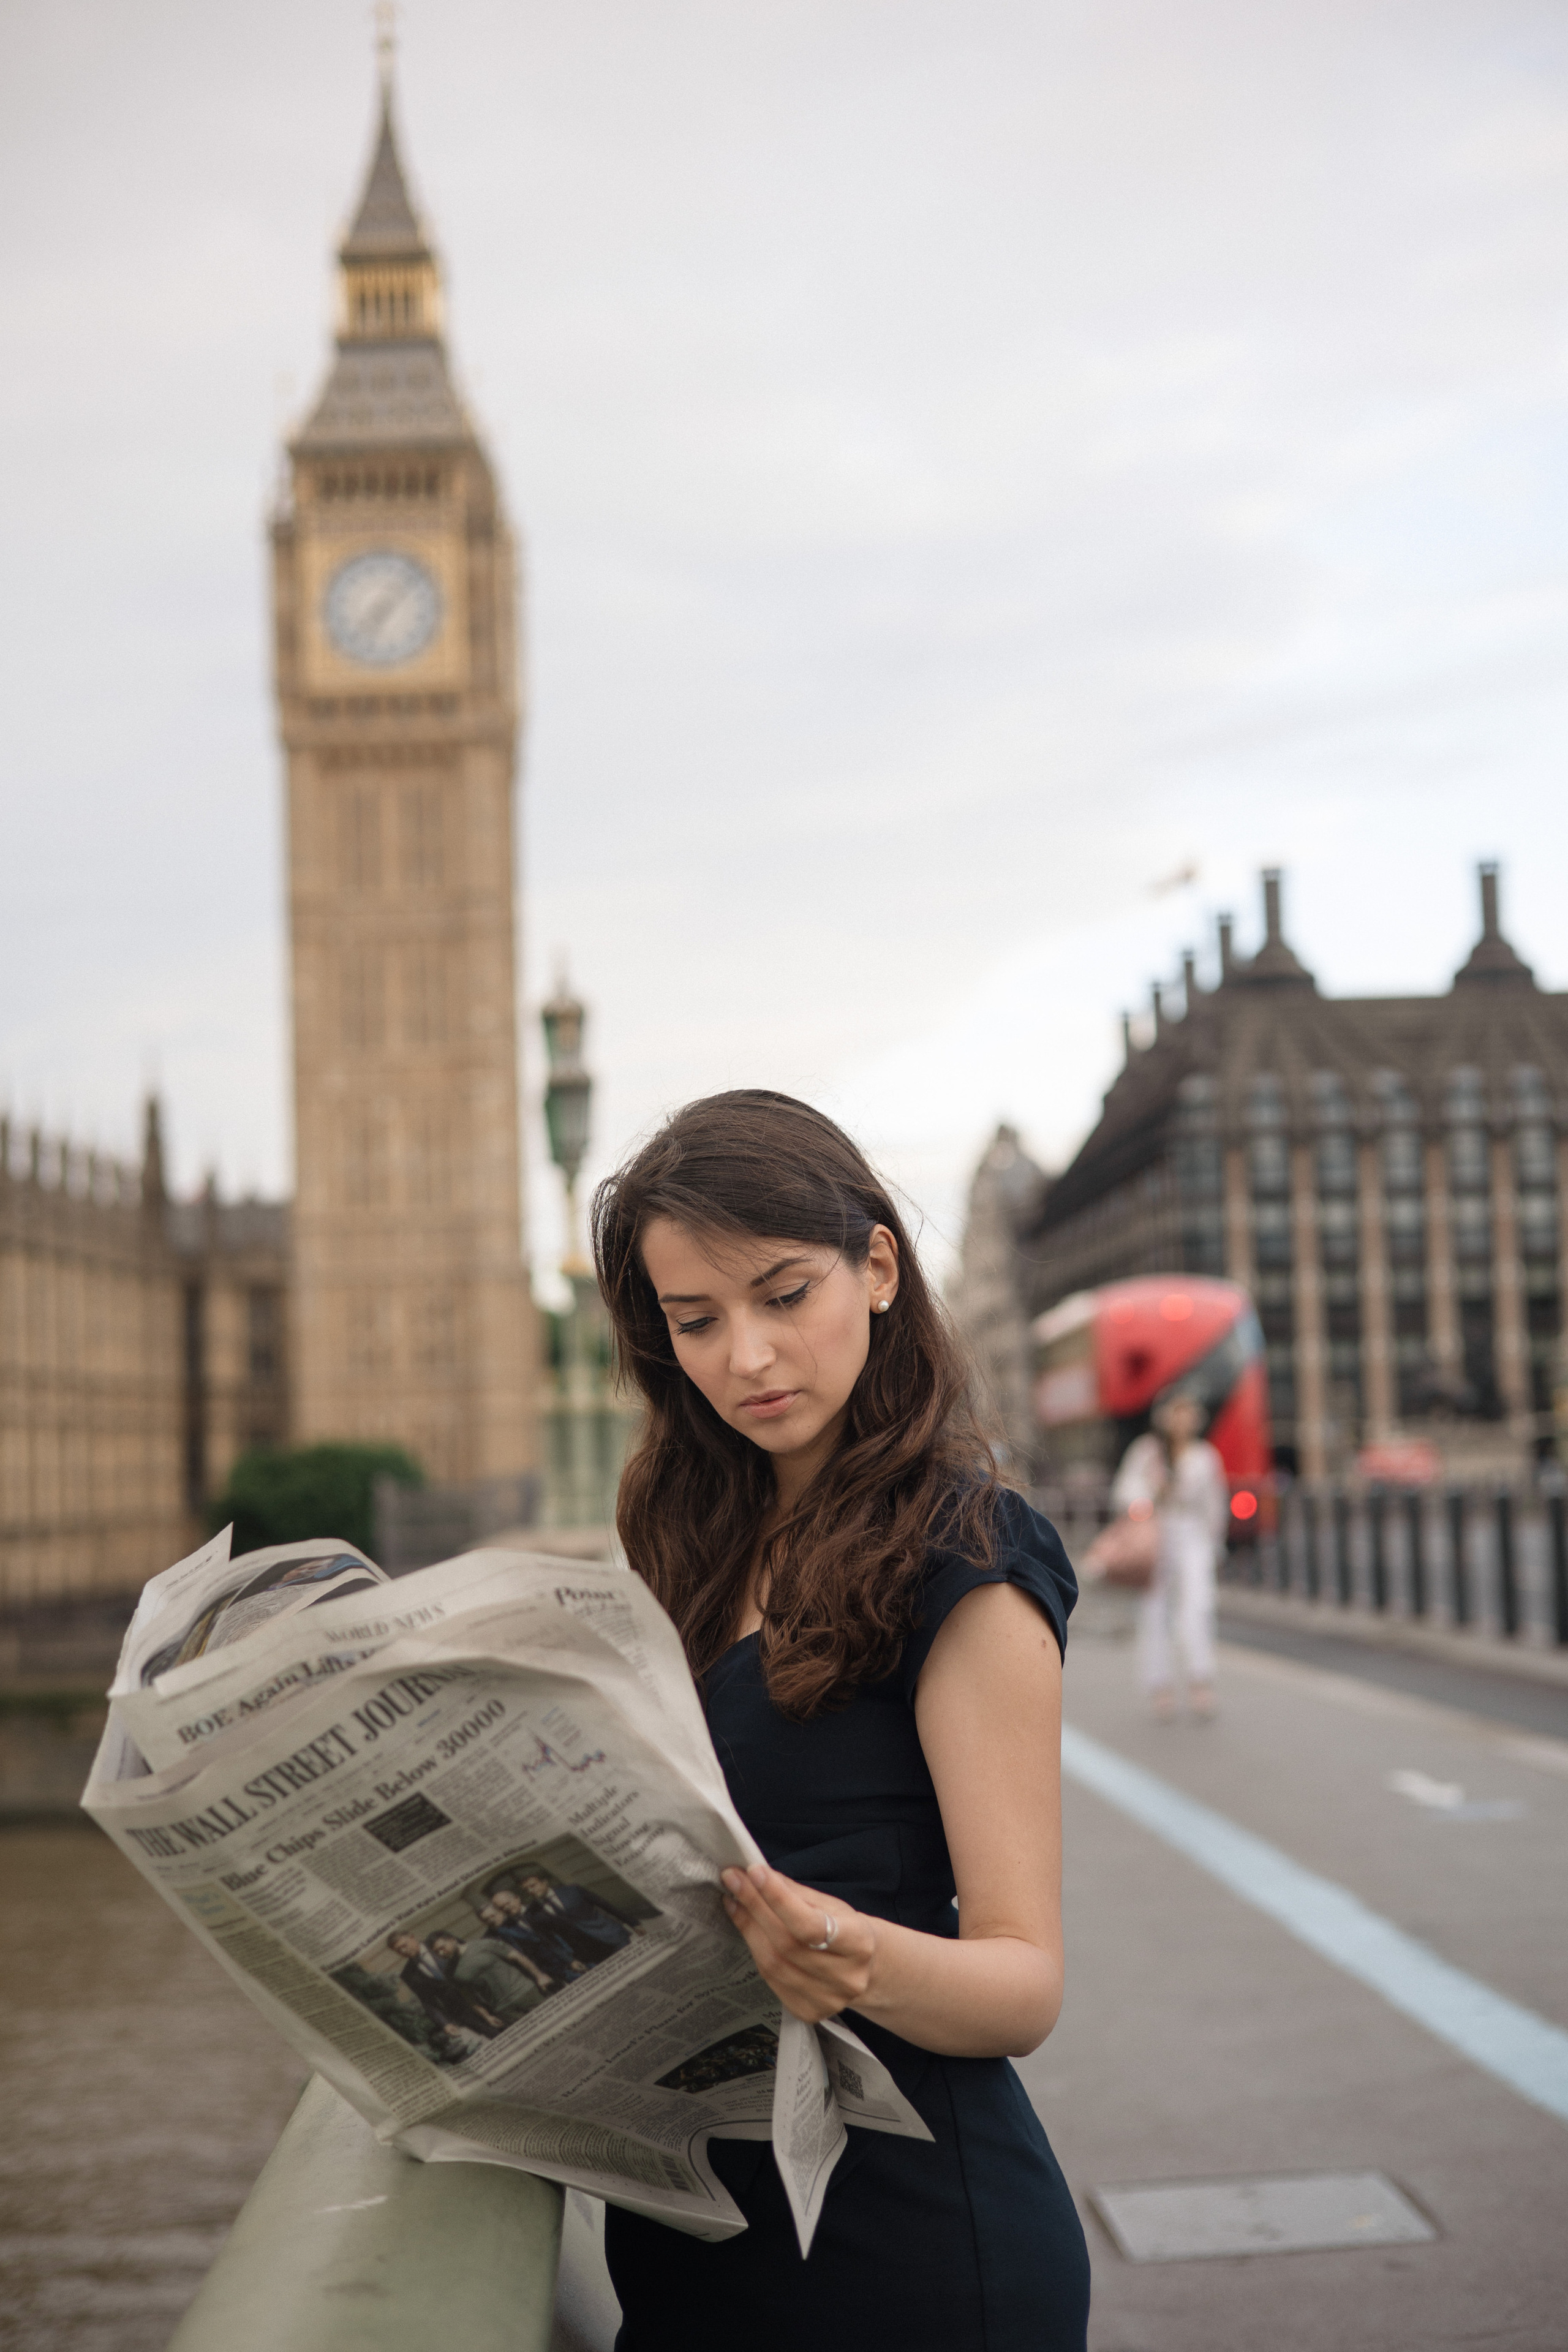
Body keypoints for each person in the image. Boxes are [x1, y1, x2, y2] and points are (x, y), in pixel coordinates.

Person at [590, 1090, 1090, 2352]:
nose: (744, 1358)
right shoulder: (686, 1545)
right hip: (692, 2240)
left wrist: (847, 1953)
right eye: (694, 1322)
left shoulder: (962, 1555)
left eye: (781, 1297)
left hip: (903, 2249)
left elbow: (1021, 1985)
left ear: (874, 1268)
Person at [1110, 1392, 1229, 1720]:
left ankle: (1200, 1679)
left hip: (1193, 1536)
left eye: (1188, 1413)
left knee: (1198, 1606)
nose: (1182, 1421)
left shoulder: (1205, 1456)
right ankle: (1159, 1684)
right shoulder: (1147, 1452)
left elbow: (1214, 1505)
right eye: (1177, 1413)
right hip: (1155, 1534)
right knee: (1154, 1609)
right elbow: (1124, 1490)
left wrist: (1216, 1544)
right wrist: (1149, 1495)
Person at [384, 1931, 503, 2039]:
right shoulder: (408, 1975)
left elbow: (473, 1959)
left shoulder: (440, 1942)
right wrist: (444, 2023)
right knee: (497, 2037)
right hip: (463, 2012)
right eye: (399, 1951)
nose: (404, 1951)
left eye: (404, 1946)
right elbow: (427, 2002)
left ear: (412, 1937)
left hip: (485, 1995)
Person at [514, 1871, 640, 1968]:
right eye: (527, 1890)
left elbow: (605, 1905)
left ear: (544, 1882)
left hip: (613, 1937)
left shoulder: (573, 1890)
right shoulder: (532, 1914)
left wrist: (634, 1923)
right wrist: (570, 1960)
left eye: (533, 1885)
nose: (531, 1891)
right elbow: (549, 1941)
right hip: (590, 1954)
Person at [427, 1931, 547, 2029]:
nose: (441, 1953)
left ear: (452, 1940)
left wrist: (539, 1976)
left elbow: (518, 1957)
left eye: (442, 1948)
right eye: (437, 1952)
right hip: (504, 2010)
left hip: (526, 1993)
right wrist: (487, 2016)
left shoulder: (484, 1945)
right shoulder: (450, 1972)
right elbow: (469, 1997)